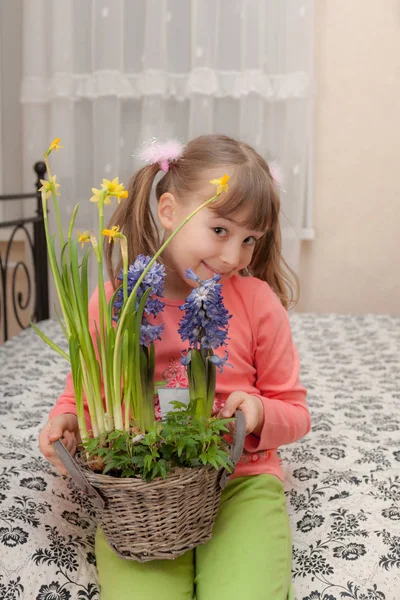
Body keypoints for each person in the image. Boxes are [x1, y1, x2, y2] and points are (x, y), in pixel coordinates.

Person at [39, 134, 311, 600]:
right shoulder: (114, 304)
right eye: (220, 230)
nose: (232, 256)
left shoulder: (259, 304)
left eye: (249, 240)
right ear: (168, 211)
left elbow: (295, 412)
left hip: (239, 482)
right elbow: (86, 392)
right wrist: (67, 419)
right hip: (139, 494)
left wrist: (261, 413)